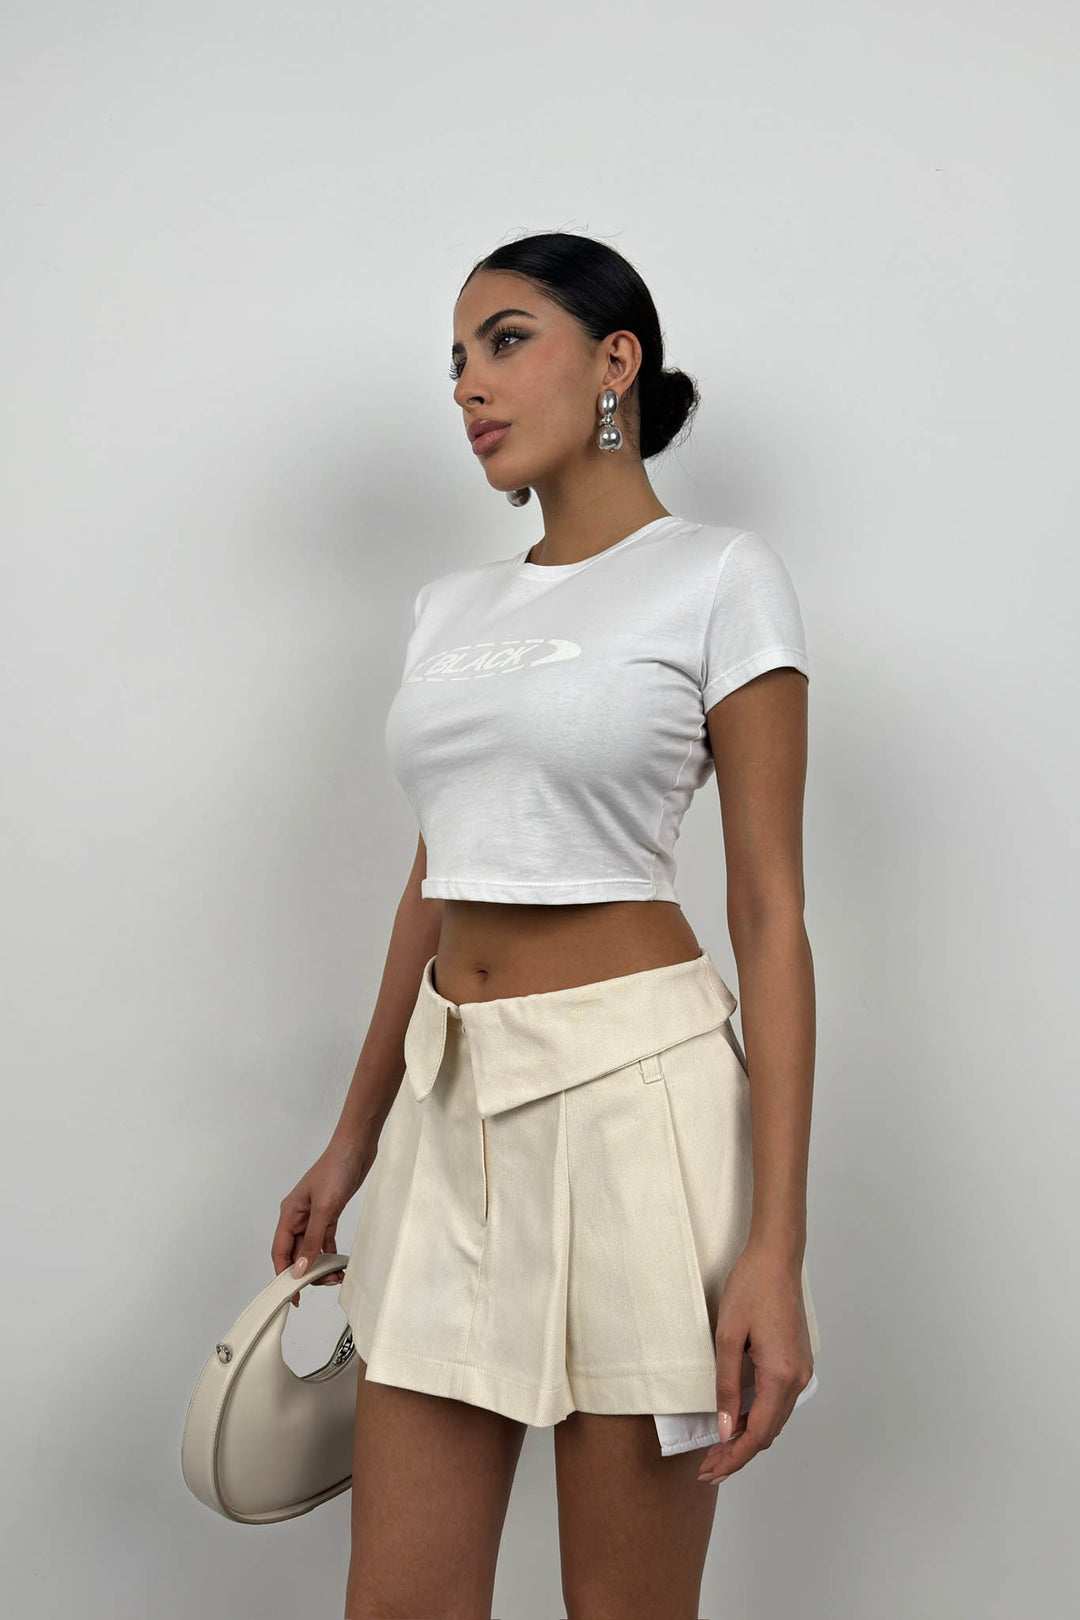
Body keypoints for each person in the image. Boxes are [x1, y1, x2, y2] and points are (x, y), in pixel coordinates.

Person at [272, 231, 823, 1620]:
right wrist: (354, 1136)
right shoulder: (448, 609)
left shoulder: (719, 574)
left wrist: (776, 1247)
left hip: (640, 1108)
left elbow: (770, 910)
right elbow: (437, 877)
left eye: (507, 340)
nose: (470, 383)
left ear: (614, 360)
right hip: (446, 1113)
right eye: (456, 360)